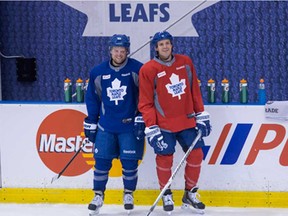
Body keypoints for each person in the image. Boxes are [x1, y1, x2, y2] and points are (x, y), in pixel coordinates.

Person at [138, 31, 211, 214]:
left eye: (167, 43)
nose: (165, 46)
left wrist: (200, 114)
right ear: (155, 48)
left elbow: (194, 91)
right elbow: (145, 103)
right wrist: (152, 127)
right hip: (163, 125)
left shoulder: (185, 62)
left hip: (187, 121)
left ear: (172, 45)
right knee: (165, 158)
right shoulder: (148, 69)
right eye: (161, 44)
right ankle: (166, 193)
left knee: (196, 155)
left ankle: (190, 193)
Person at [84, 34, 145, 215]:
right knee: (101, 162)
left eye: (122, 50)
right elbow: (93, 98)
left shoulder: (137, 69)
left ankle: (128, 193)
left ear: (127, 51)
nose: (119, 54)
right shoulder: (98, 72)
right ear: (110, 50)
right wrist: (91, 121)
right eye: (116, 50)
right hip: (106, 126)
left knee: (129, 162)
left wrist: (142, 116)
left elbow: (146, 95)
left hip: (129, 126)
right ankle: (98, 195)